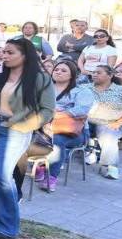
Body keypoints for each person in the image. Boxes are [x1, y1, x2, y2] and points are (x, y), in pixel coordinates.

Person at [0, 35, 56, 239]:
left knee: (3, 176)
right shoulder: (0, 72)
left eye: (10, 52)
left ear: (25, 56)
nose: (4, 55)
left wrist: (25, 126)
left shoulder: (40, 78)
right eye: (3, 51)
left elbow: (47, 110)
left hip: (14, 130)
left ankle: (8, 226)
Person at [38, 60, 93, 192]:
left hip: (73, 132)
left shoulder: (80, 91)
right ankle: (40, 166)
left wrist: (59, 113)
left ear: (72, 75)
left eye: (63, 71)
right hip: (45, 127)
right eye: (56, 69)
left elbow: (82, 109)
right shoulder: (45, 88)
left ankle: (51, 177)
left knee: (56, 140)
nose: (58, 72)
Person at [85, 65, 122, 180]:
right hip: (85, 121)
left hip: (109, 122)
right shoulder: (85, 88)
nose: (94, 74)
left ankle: (110, 166)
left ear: (110, 75)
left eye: (99, 72)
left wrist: (118, 123)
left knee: (108, 134)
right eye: (93, 72)